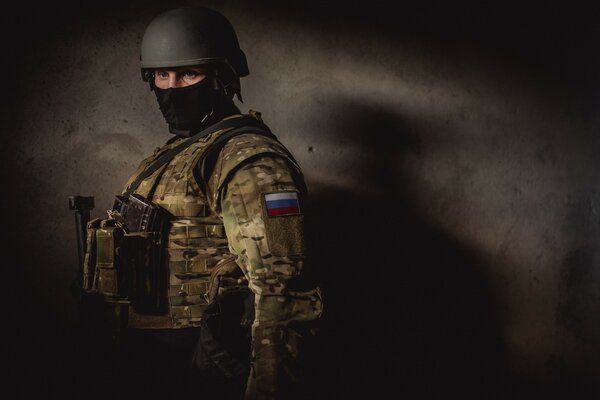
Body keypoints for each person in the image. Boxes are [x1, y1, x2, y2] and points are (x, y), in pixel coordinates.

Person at [77, 5, 323, 400]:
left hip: (205, 361)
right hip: (153, 359)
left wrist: (269, 390)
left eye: (189, 73)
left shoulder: (249, 160)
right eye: (162, 75)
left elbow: (283, 290)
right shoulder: (180, 151)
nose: (172, 87)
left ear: (223, 77)